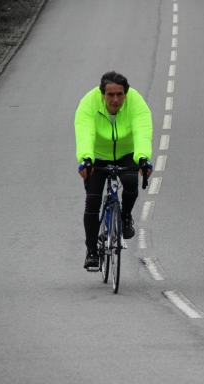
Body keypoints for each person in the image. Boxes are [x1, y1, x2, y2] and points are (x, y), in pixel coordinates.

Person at [75, 71, 153, 270]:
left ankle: (125, 216)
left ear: (126, 94)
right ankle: (92, 251)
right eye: (110, 95)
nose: (115, 99)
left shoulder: (135, 101)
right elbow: (85, 131)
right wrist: (86, 158)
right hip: (98, 156)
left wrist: (143, 158)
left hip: (127, 152)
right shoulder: (89, 102)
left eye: (120, 94)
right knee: (92, 200)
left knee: (130, 183)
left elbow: (142, 130)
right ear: (102, 94)